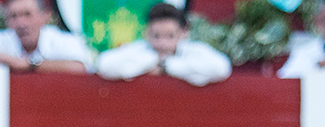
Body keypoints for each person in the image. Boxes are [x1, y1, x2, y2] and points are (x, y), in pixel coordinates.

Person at [96, 2, 231, 85]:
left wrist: (166, 67)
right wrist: (150, 61)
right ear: (147, 32)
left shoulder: (193, 50)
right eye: (157, 36)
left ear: (183, 33)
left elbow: (221, 68)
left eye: (170, 36)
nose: (163, 44)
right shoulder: (139, 49)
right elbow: (104, 65)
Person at [0, 0, 94, 75]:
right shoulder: (3, 39)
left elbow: (80, 67)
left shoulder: (60, 40)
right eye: (14, 16)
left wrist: (29, 65)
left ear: (45, 17)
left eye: (27, 15)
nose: (21, 23)